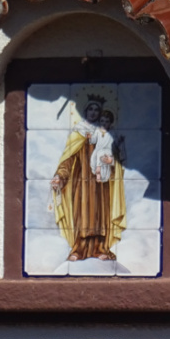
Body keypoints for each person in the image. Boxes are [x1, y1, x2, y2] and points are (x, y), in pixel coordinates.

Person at [50, 96, 126, 262]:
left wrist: (112, 163)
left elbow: (118, 159)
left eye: (96, 110)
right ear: (85, 111)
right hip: (81, 184)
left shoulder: (106, 134)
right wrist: (60, 176)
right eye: (90, 109)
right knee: (82, 216)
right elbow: (68, 159)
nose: (93, 113)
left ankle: (100, 248)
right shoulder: (78, 132)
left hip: (101, 183)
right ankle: (79, 249)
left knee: (101, 216)